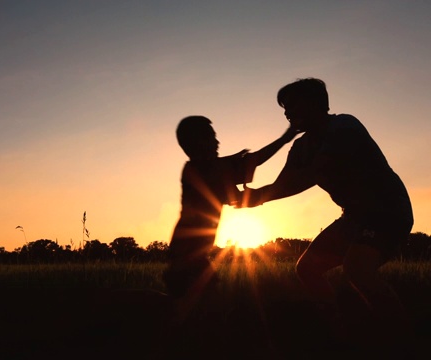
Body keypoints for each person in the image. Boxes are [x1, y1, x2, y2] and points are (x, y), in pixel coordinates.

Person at [239, 78, 414, 348]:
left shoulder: (345, 126)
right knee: (307, 268)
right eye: (284, 108)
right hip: (354, 216)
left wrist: (256, 197)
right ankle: (343, 334)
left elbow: (312, 174)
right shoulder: (300, 147)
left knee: (357, 268)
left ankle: (404, 342)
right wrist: (246, 199)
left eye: (291, 105)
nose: (286, 113)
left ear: (313, 103)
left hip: (387, 209)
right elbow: (282, 186)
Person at [163, 115, 297, 301]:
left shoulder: (202, 168)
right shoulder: (202, 170)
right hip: (187, 257)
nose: (217, 141)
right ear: (196, 143)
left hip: (189, 256)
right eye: (211, 137)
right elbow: (253, 161)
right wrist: (285, 138)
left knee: (195, 307)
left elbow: (247, 167)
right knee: (200, 309)